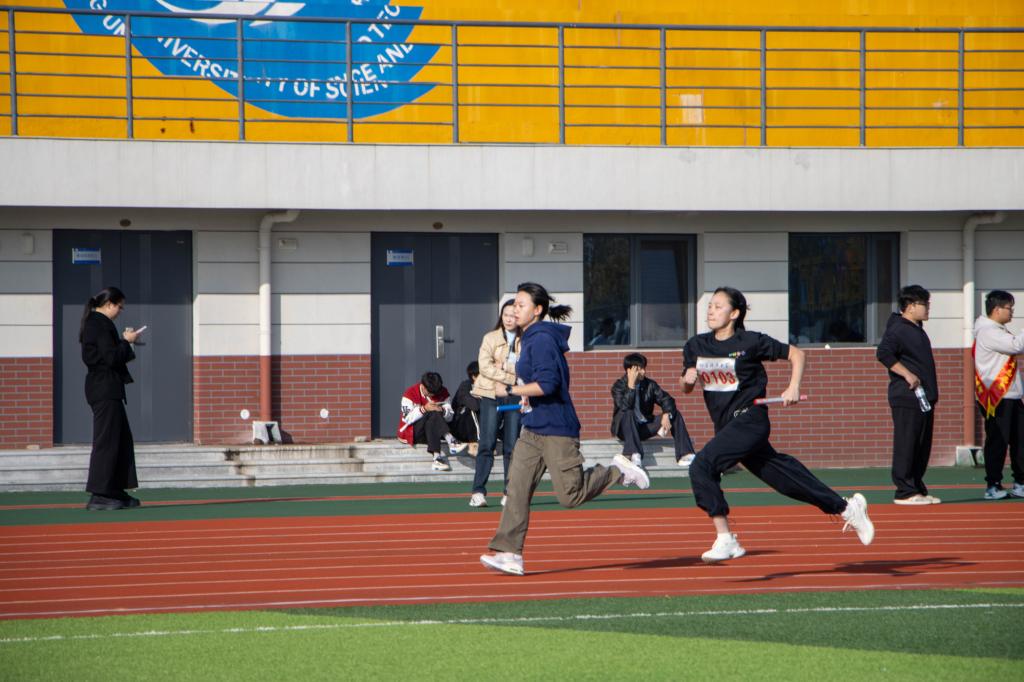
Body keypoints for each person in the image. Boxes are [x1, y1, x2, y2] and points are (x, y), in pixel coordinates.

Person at [682, 286, 874, 563]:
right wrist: (687, 380)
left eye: (718, 306)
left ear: (734, 313)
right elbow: (686, 386)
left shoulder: (751, 341)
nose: (711, 311)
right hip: (726, 427)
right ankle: (847, 508)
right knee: (783, 477)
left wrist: (793, 386)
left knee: (701, 465)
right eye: (710, 305)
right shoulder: (696, 346)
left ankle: (726, 539)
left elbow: (797, 354)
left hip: (750, 420)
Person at [479, 282, 650, 575]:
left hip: (557, 429)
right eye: (513, 304)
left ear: (537, 310)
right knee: (516, 488)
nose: (514, 309)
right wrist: (521, 393)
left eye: (520, 304)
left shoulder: (541, 340)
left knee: (570, 495)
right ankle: (509, 553)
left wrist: (509, 390)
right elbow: (536, 382)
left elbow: (548, 385)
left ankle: (618, 470)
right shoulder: (528, 338)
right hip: (533, 428)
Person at [80, 286, 144, 511]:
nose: (120, 311)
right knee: (107, 441)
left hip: (106, 388)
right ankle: (100, 493)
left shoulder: (96, 323)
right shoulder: (99, 324)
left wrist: (125, 343)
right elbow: (111, 357)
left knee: (120, 439)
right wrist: (127, 341)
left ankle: (113, 489)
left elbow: (108, 354)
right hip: (104, 389)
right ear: (109, 304)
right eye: (119, 307)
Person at [876, 284, 940, 505]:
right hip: (908, 397)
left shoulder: (916, 328)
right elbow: (883, 353)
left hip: (924, 398)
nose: (928, 308)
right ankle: (904, 491)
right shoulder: (899, 329)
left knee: (921, 446)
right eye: (925, 304)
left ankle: (916, 488)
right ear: (910, 306)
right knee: (908, 443)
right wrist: (907, 374)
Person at [469, 300, 522, 508]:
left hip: (515, 395)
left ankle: (509, 492)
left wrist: (504, 366)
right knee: (487, 443)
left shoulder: (525, 339)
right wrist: (511, 376)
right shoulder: (490, 338)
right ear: (501, 316)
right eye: (506, 315)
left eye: (513, 315)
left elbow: (526, 368)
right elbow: (484, 367)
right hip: (491, 394)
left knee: (512, 446)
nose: (509, 319)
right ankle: (478, 492)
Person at [973, 290, 1024, 500]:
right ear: (996, 309)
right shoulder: (988, 331)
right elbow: (1017, 345)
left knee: (1020, 441)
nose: (1012, 312)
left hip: (1011, 396)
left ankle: (1020, 482)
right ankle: (993, 485)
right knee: (998, 442)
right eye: (1009, 308)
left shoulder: (997, 330)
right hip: (997, 397)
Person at [610, 352, 696, 468]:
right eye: (639, 369)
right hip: (625, 430)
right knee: (628, 411)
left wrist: (666, 413)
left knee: (674, 414)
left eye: (644, 368)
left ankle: (685, 454)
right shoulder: (618, 386)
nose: (643, 372)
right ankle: (633, 454)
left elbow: (667, 399)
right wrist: (631, 386)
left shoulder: (649, 385)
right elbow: (624, 407)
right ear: (629, 370)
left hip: (644, 427)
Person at [397, 371, 460, 471]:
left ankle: (437, 458)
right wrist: (424, 409)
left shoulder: (443, 392)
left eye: (435, 393)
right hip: (412, 432)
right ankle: (451, 440)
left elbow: (450, 417)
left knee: (434, 414)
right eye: (430, 393)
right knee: (431, 412)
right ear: (423, 386)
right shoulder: (410, 393)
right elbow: (407, 418)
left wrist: (443, 410)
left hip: (432, 431)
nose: (432, 395)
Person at [450, 361, 480, 452]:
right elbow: (475, 406)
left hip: (477, 428)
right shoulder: (465, 387)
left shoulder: (488, 387)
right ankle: (476, 444)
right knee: (470, 410)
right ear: (474, 377)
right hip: (460, 428)